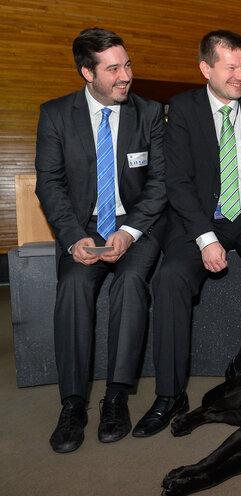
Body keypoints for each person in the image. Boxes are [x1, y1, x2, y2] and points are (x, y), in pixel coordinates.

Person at [133, 30, 241, 438]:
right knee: (170, 278)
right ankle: (170, 394)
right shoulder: (183, 109)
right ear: (206, 68)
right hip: (202, 217)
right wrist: (205, 238)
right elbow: (178, 182)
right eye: (231, 68)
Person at [35, 28, 166, 453]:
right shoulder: (56, 114)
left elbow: (159, 184)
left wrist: (128, 234)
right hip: (83, 226)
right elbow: (49, 184)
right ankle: (72, 403)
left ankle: (116, 396)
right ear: (87, 73)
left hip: (136, 224)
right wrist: (73, 238)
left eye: (127, 64)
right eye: (113, 69)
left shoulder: (149, 113)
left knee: (130, 284)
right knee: (73, 284)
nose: (126, 75)